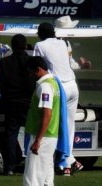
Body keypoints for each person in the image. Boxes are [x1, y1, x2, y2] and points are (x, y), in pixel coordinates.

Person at [11, 56, 60, 186]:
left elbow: (47, 113)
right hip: (50, 136)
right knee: (46, 180)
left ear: (38, 69)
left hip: (43, 138)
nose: (30, 75)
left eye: (31, 71)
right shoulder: (54, 83)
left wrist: (37, 140)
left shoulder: (45, 86)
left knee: (32, 179)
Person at [34, 22, 83, 176]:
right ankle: (67, 162)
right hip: (72, 86)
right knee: (68, 125)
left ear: (40, 34)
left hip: (59, 86)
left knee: (57, 125)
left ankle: (67, 161)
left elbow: (36, 66)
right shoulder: (63, 43)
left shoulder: (40, 45)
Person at [0, 34, 36, 175]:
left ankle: (9, 167)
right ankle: (33, 165)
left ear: (12, 46)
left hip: (10, 102)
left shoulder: (4, 62)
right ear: (25, 45)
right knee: (33, 133)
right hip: (28, 102)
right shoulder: (32, 62)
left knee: (11, 134)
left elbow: (0, 83)